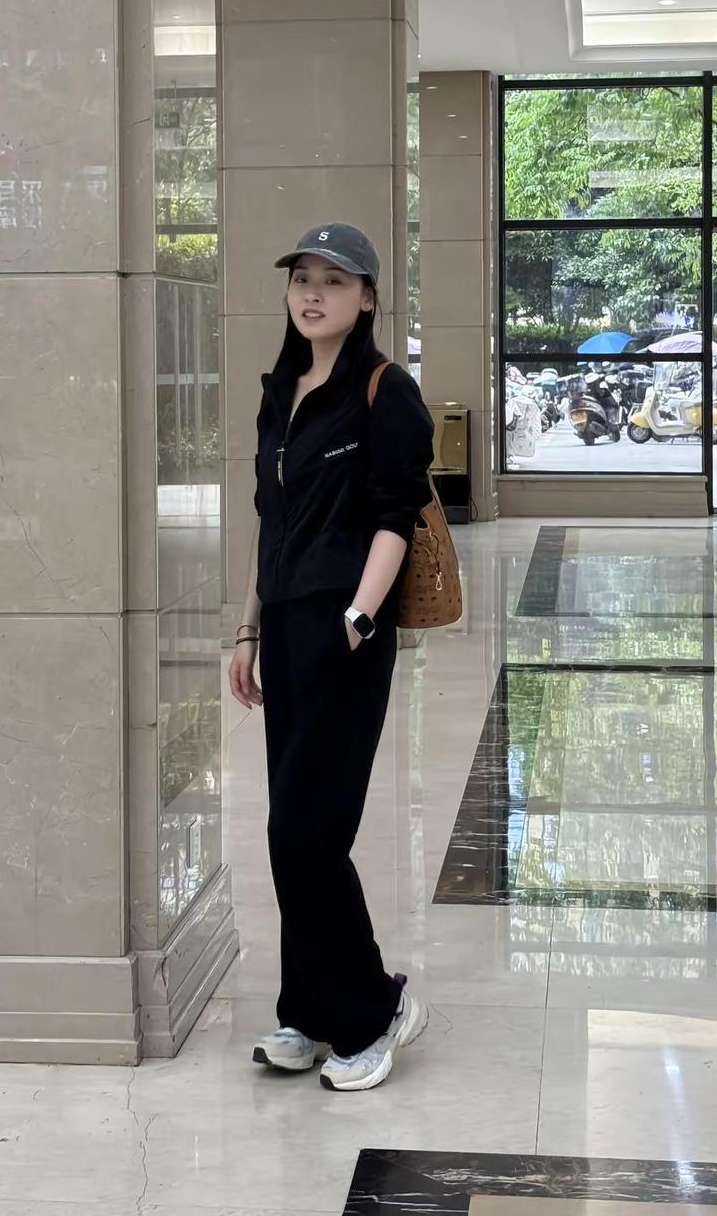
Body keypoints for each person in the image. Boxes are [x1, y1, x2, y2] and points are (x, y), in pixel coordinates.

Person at [229, 222, 436, 1093]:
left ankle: (372, 1009)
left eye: (335, 280)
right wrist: (247, 629)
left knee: (309, 831)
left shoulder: (386, 392)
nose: (313, 293)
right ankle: (308, 1010)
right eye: (302, 278)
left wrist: (358, 615)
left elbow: (397, 514)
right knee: (291, 828)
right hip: (284, 625)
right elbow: (270, 523)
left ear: (368, 297)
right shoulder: (282, 392)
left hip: (345, 629)